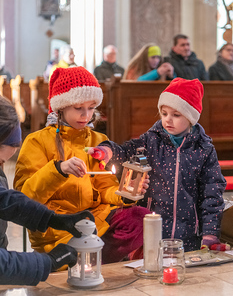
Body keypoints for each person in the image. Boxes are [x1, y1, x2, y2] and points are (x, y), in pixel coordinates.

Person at [14, 67, 150, 264]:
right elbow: (25, 198)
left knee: (142, 218)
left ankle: (83, 261)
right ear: (61, 107)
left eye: (92, 107)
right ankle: (80, 259)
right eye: (79, 108)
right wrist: (58, 170)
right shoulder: (37, 141)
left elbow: (104, 189)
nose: (86, 115)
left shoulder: (98, 139)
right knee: (83, 245)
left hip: (94, 222)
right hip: (58, 228)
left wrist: (124, 194)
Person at [91, 78, 227, 252]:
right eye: (164, 114)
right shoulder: (151, 141)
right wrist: (107, 150)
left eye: (176, 115)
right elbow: (126, 150)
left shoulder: (203, 150)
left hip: (188, 235)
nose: (168, 120)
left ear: (191, 117)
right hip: (153, 231)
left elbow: (212, 193)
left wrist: (210, 234)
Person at [0, 95, 95, 285]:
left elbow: (5, 200)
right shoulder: (39, 141)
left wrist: (52, 219)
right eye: (1, 161)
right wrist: (47, 262)